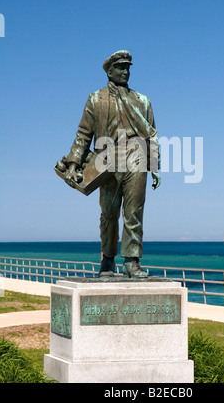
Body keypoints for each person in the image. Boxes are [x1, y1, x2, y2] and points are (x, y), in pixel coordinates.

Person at [65, 50, 161, 278]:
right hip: (105, 160)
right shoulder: (95, 99)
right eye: (120, 67)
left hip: (137, 155)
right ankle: (107, 260)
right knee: (108, 212)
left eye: (128, 68)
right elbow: (83, 134)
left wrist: (155, 165)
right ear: (110, 71)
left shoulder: (142, 101)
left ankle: (131, 261)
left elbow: (153, 134)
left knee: (134, 211)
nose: (125, 72)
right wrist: (73, 162)